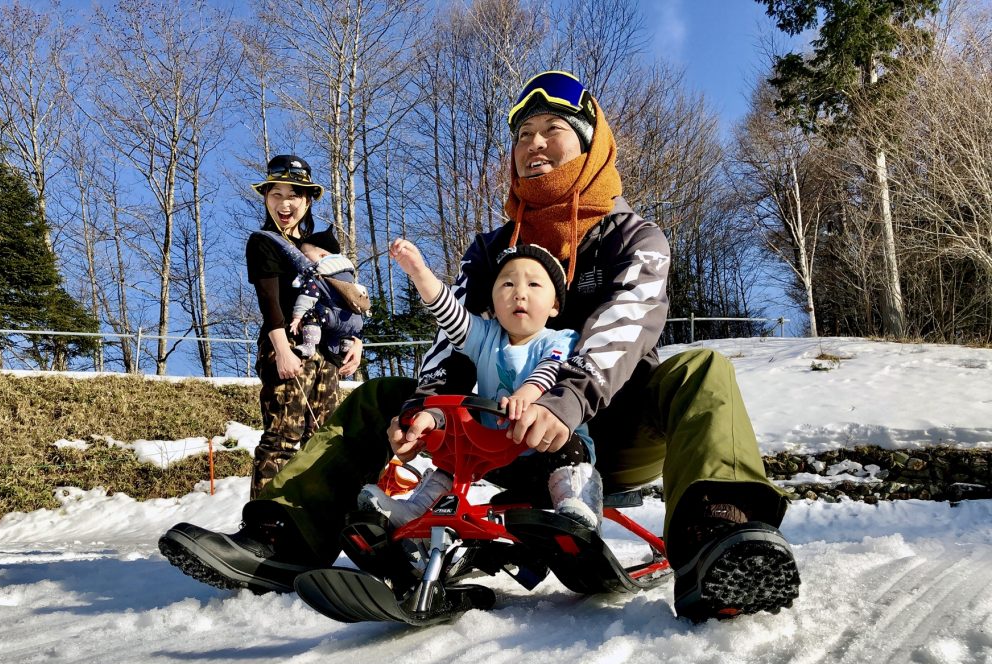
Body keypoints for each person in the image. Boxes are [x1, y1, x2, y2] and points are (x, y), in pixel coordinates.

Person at [159, 73, 800, 622]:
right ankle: (281, 534)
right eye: (522, 135)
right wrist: (425, 410)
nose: (534, 145)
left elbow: (626, 323)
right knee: (379, 398)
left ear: (590, 142)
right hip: (492, 431)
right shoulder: (491, 249)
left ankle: (717, 538)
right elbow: (455, 332)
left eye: (552, 129)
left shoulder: (634, 236)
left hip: (607, 427)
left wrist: (566, 399)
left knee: (703, 369)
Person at [359, 240, 602, 531]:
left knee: (569, 446)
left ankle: (574, 509)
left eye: (534, 285)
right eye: (507, 284)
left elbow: (552, 367)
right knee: (453, 450)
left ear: (555, 305)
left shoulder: (560, 338)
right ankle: (417, 511)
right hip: (497, 454)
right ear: (494, 300)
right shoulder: (485, 336)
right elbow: (449, 315)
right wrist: (419, 272)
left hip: (546, 449)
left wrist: (528, 393)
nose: (519, 293)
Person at [242, 155, 364, 498]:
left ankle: (310, 520)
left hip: (327, 354)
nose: (284, 203)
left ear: (307, 200)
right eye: (276, 194)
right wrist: (281, 350)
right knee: (283, 435)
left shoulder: (321, 248)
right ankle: (263, 522)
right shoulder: (264, 241)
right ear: (266, 197)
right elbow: (269, 302)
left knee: (322, 440)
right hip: (289, 346)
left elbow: (345, 297)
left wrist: (355, 341)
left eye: (293, 195)